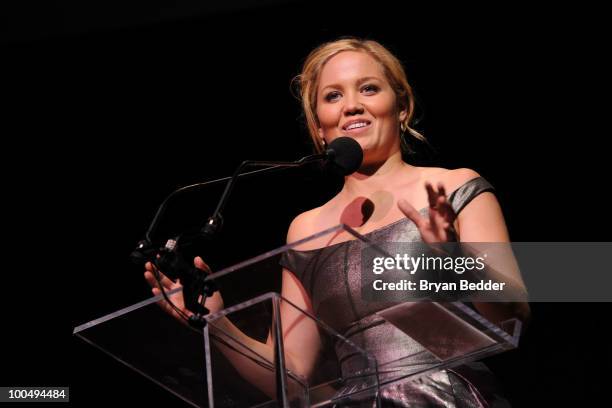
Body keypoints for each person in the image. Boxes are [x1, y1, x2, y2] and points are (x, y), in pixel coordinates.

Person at [145, 37, 529, 407]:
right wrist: (215, 323)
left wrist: (451, 256)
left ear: (402, 106)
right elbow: (293, 378)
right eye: (333, 96)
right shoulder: (306, 229)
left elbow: (514, 314)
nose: (352, 106)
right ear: (319, 125)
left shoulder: (453, 187)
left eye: (368, 89)